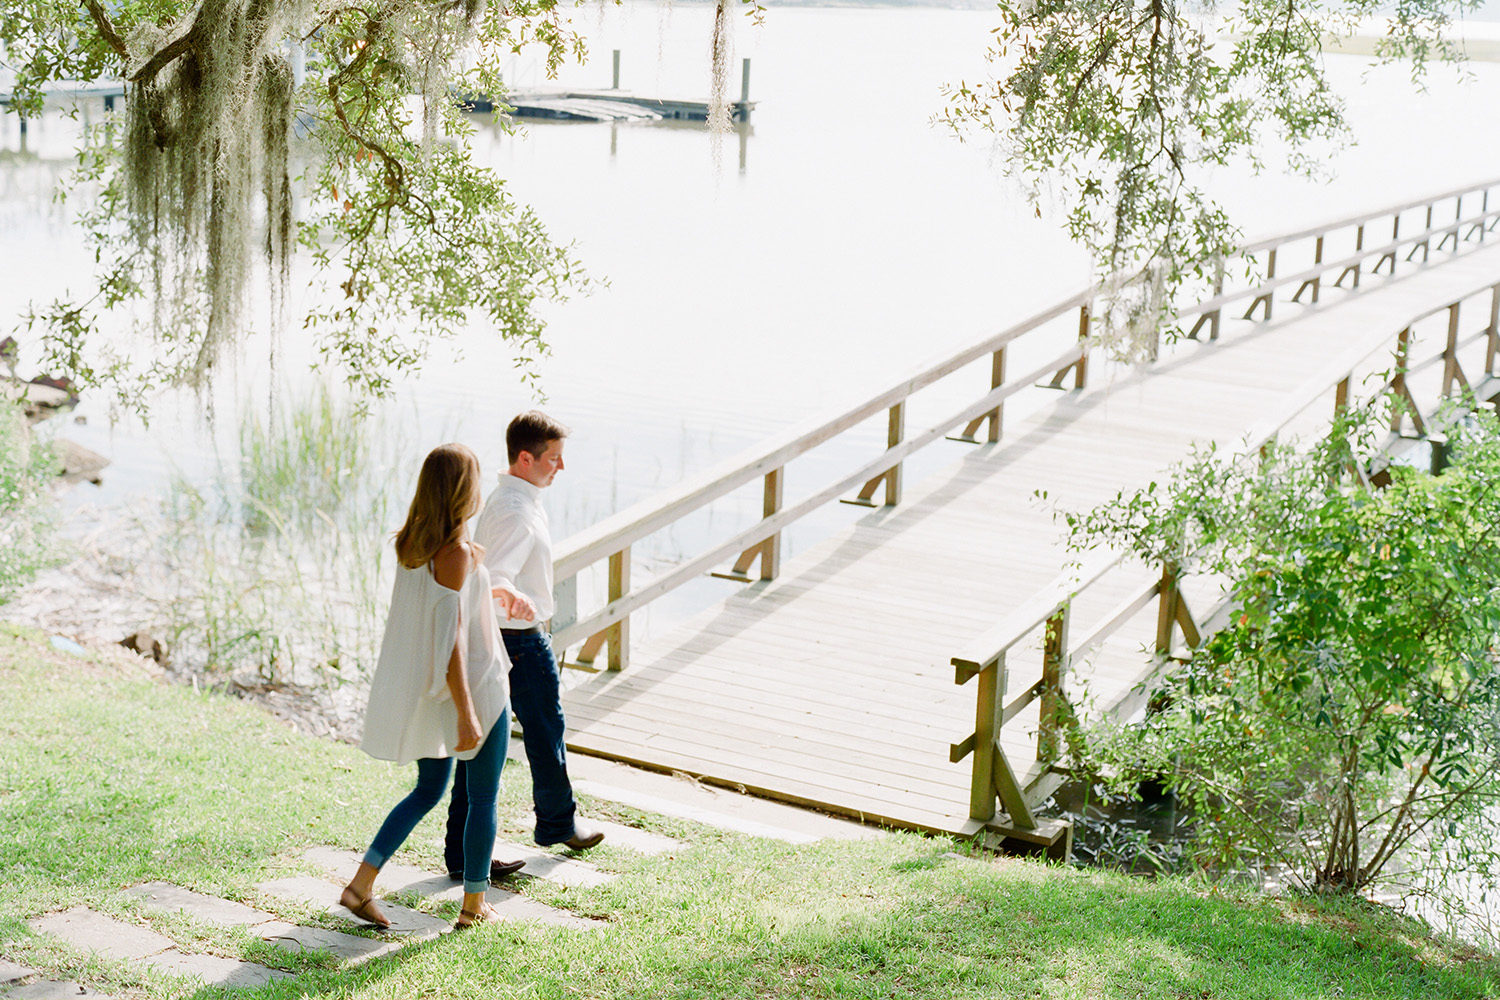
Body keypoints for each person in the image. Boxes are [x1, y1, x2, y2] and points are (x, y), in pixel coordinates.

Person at [340, 443, 523, 930]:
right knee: (483, 799)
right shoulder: (456, 551)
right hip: (477, 687)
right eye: (477, 479)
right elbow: (453, 641)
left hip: (436, 690)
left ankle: (360, 886)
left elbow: (446, 614)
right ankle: (473, 905)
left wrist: (490, 586)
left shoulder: (412, 544)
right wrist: (467, 711)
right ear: (464, 488)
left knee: (428, 790)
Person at [443, 410, 604, 871]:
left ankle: (466, 850)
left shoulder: (516, 498)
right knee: (542, 733)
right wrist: (513, 600)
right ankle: (553, 825)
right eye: (554, 458)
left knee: (493, 745)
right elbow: (493, 577)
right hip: (517, 642)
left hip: (508, 639)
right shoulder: (514, 510)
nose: (561, 467)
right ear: (526, 458)